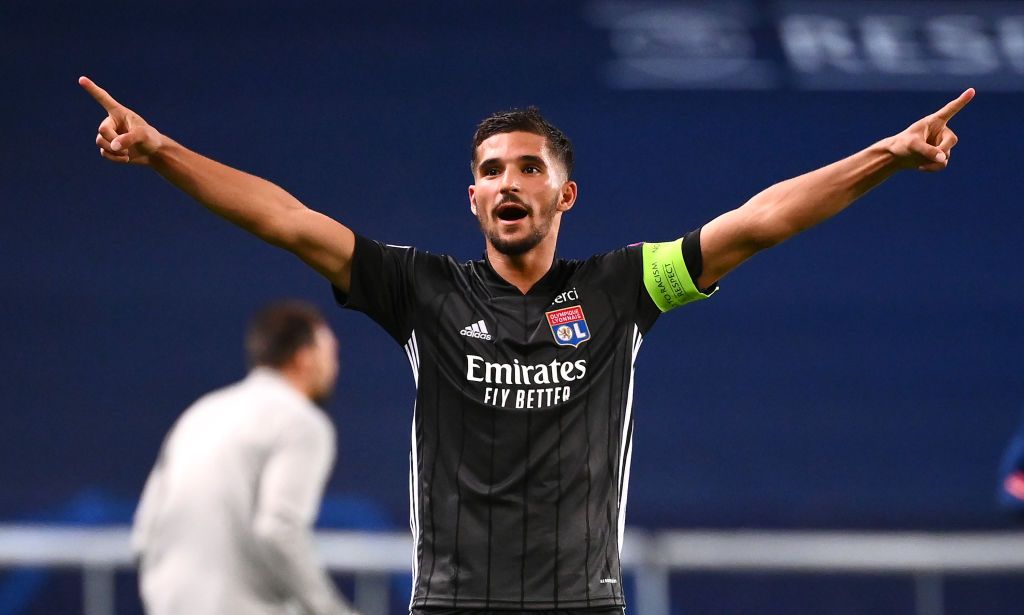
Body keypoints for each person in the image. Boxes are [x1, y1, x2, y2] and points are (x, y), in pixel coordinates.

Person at [82, 75, 973, 614]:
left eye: (529, 168)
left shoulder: (626, 288)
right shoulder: (418, 289)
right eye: (492, 171)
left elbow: (759, 222)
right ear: (472, 198)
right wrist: (162, 151)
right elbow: (284, 218)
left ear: (565, 196)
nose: (509, 182)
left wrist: (886, 155)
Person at [131, 301, 358, 615]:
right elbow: (278, 530)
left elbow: (144, 533)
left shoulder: (200, 414)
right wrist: (331, 610)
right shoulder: (301, 423)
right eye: (331, 353)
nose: (335, 366)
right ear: (304, 358)